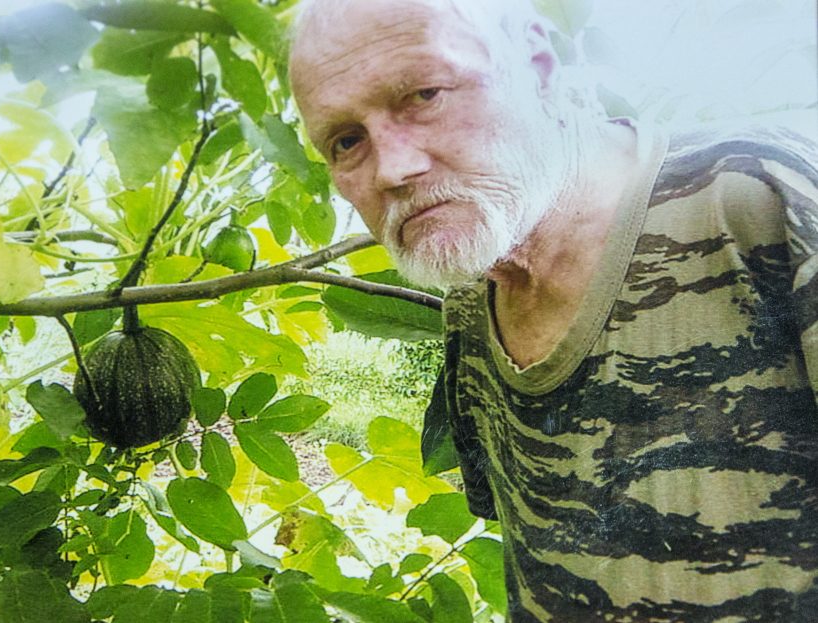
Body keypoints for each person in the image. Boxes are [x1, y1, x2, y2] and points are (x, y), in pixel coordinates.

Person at [288, 0, 818, 620]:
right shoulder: (469, 294)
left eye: (425, 94)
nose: (395, 168)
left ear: (537, 66)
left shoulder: (757, 193)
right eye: (346, 141)